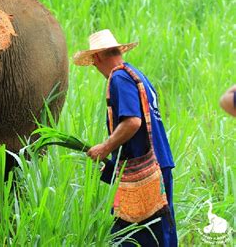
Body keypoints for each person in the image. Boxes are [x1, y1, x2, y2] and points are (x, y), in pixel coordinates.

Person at [73, 29, 177, 246]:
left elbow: (132, 122)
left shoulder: (119, 77)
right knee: (160, 234)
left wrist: (105, 147)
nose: (94, 66)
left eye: (93, 60)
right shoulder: (137, 75)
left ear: (99, 56)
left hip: (145, 173)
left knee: (134, 236)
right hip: (158, 164)